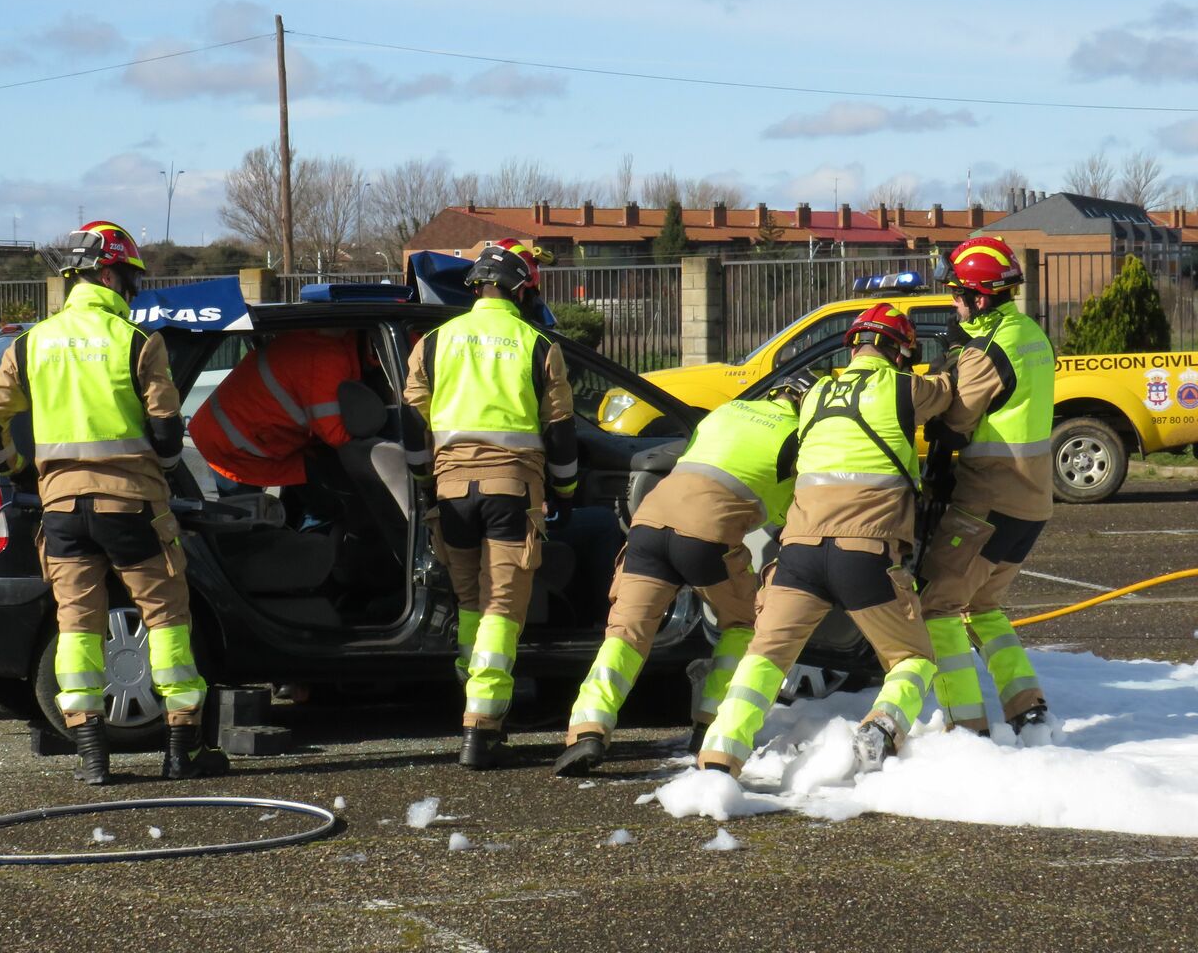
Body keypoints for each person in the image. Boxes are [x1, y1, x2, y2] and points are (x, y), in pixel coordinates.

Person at [0, 220, 227, 785]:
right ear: (111, 273)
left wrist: (19, 472)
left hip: (61, 510)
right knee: (166, 619)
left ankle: (93, 756)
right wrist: (157, 473)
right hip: (132, 507)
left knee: (77, 625)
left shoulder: (31, 342)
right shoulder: (136, 341)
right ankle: (182, 750)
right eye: (130, 279)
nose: (132, 290)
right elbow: (166, 434)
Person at [698, 303, 953, 777]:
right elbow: (950, 397)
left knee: (765, 657)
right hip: (866, 555)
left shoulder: (815, 392)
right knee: (913, 659)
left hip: (798, 554)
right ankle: (882, 728)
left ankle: (719, 753)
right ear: (901, 352)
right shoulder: (903, 387)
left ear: (852, 346)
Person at [554, 374, 808, 777]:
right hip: (706, 537)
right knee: (744, 623)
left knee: (627, 631)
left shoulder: (727, 411)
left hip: (649, 525)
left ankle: (587, 729)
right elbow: (787, 509)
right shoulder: (797, 434)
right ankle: (710, 724)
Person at [402, 241, 578, 769]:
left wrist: (423, 479)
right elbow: (562, 431)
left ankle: (472, 705)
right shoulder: (537, 343)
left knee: (472, 603)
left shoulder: (433, 343)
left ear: (474, 287)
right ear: (522, 291)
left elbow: (413, 426)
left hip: (451, 493)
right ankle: (482, 726)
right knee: (503, 605)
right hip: (512, 493)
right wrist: (565, 492)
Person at [920, 236, 1056, 740]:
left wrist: (949, 367)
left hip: (988, 500)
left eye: (958, 294)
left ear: (979, 296)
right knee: (984, 607)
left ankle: (966, 729)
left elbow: (953, 423)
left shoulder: (987, 349)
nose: (953, 303)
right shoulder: (1030, 334)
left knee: (938, 605)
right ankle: (1028, 707)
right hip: (1032, 500)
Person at [187, 328, 362, 488]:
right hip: (234, 448)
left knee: (248, 510)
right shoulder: (327, 358)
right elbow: (336, 435)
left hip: (225, 435)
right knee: (249, 515)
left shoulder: (303, 338)